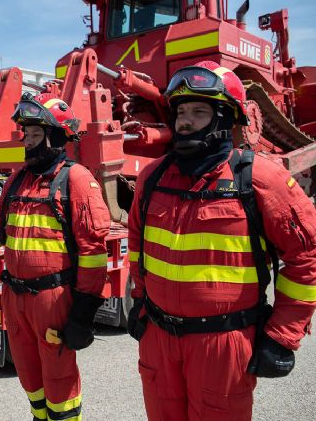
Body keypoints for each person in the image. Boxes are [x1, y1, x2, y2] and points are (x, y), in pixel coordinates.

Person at [127, 61, 316, 420]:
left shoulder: (260, 179)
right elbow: (138, 245)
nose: (185, 121)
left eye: (199, 111)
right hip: (159, 342)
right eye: (181, 111)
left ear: (227, 118)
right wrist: (140, 300)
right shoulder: (152, 178)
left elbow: (306, 257)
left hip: (224, 346)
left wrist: (283, 334)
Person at [0, 93, 110, 421]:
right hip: (15, 299)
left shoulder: (75, 180)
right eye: (27, 135)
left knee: (59, 382)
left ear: (56, 136)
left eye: (36, 135)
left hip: (53, 300)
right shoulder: (19, 179)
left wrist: (82, 315)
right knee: (30, 378)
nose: (28, 142)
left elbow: (93, 254)